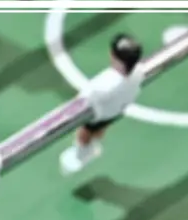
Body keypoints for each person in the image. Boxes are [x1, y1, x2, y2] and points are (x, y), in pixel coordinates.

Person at [59, 33, 145, 175]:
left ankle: (81, 154)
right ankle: (93, 145)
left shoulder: (103, 84)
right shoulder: (138, 72)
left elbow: (82, 101)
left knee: (85, 133)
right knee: (101, 128)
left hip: (99, 113)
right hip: (119, 108)